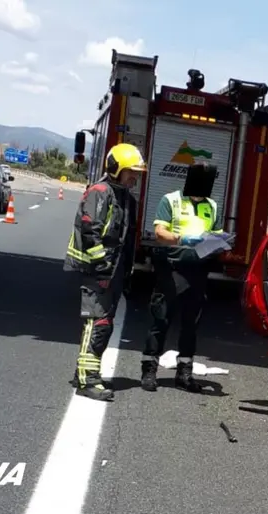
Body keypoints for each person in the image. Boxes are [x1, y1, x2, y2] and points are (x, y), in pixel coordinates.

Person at [139, 162, 231, 393]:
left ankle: (184, 373)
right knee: (161, 320)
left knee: (191, 325)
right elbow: (160, 233)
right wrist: (181, 240)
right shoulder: (171, 200)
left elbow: (217, 234)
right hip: (172, 268)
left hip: (198, 271)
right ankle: (149, 370)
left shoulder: (212, 206)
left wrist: (220, 243)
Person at [64, 143, 144, 401]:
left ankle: (86, 373)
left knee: (104, 324)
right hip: (98, 271)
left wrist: (127, 274)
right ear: (115, 168)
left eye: (137, 172)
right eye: (131, 171)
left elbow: (125, 241)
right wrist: (101, 267)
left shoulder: (126, 198)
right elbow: (90, 230)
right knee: (96, 324)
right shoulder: (100, 192)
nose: (135, 177)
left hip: (114, 272)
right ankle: (88, 381)